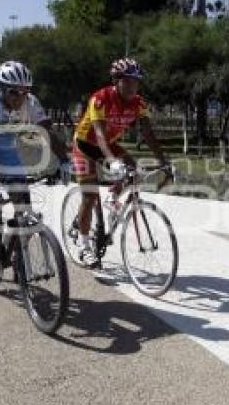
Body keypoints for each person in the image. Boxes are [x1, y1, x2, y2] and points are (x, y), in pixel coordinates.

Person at [71, 57, 169, 267]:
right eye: (129, 81)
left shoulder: (138, 103)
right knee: (89, 195)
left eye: (137, 81)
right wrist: (112, 161)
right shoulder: (100, 98)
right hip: (85, 145)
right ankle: (84, 245)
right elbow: (98, 134)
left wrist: (164, 162)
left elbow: (148, 133)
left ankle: (113, 196)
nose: (134, 86)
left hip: (109, 144)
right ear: (117, 80)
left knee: (133, 170)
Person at [0, 60, 70, 247]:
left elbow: (47, 132)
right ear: (1, 89)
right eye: (14, 92)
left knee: (25, 214)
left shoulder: (31, 103)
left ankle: (14, 255)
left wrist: (64, 161)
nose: (20, 97)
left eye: (25, 91)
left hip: (8, 151)